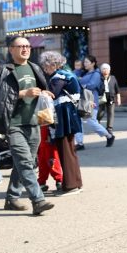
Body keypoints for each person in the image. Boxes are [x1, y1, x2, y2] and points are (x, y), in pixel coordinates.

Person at [0, 36, 55, 215]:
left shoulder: (35, 68)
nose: (25, 49)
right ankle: (38, 200)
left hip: (34, 123)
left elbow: (39, 90)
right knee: (24, 162)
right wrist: (23, 93)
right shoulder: (2, 70)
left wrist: (45, 92)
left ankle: (11, 199)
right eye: (20, 46)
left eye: (27, 46)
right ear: (11, 49)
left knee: (25, 164)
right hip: (13, 125)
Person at [40, 51, 84, 195]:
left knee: (65, 151)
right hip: (69, 116)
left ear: (53, 64)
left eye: (46, 66)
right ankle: (75, 182)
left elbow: (51, 95)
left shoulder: (58, 77)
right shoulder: (66, 74)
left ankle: (70, 185)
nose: (45, 69)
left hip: (64, 117)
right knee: (70, 151)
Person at [76, 56, 114, 149]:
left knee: (91, 121)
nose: (85, 64)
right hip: (82, 100)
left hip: (91, 100)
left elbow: (92, 85)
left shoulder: (96, 73)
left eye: (87, 62)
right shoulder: (84, 73)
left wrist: (81, 85)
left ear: (93, 63)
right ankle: (80, 143)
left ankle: (109, 136)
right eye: (84, 62)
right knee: (78, 120)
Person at [37, 124, 63, 194]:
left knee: (52, 159)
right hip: (39, 130)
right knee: (42, 161)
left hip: (48, 129)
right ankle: (41, 182)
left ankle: (59, 181)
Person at [97, 63, 120, 134]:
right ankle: (97, 121)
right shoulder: (98, 78)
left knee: (111, 113)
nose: (105, 70)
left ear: (109, 70)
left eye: (107, 69)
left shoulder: (113, 78)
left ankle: (109, 128)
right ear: (101, 70)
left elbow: (117, 89)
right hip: (102, 98)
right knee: (101, 112)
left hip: (111, 98)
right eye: (103, 69)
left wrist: (118, 98)